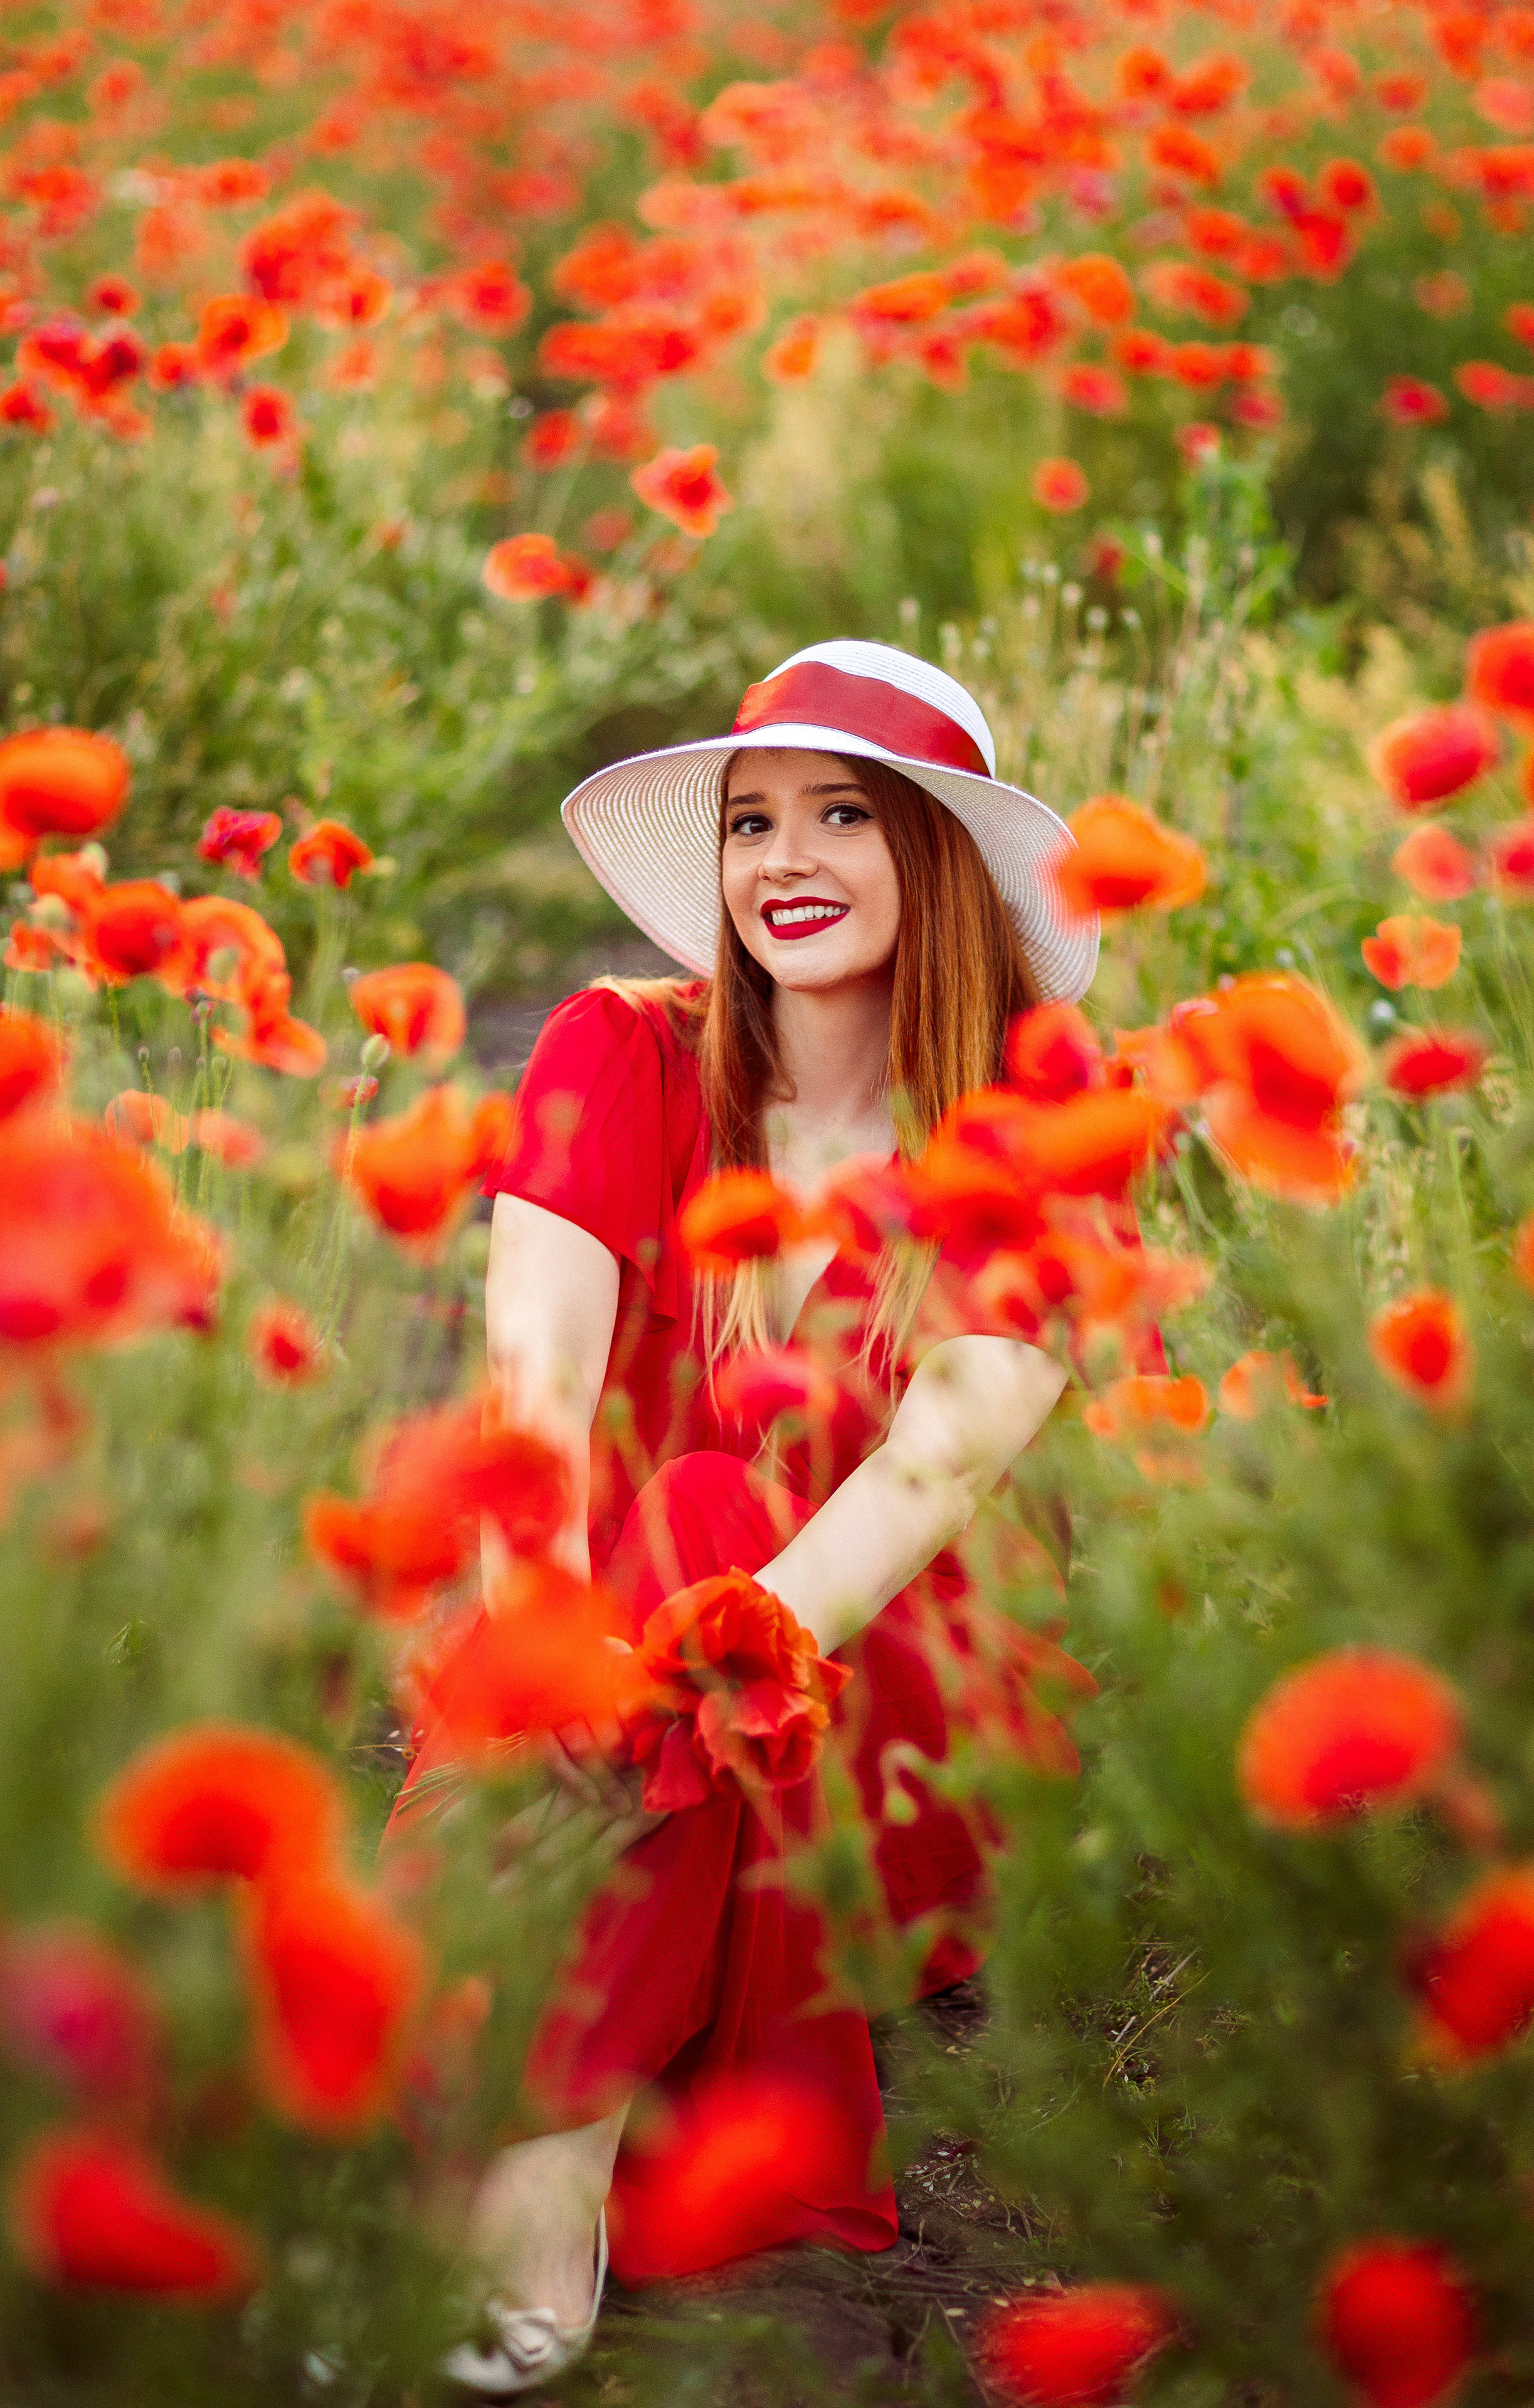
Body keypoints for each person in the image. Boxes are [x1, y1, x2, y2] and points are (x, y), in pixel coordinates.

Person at [411, 640, 1106, 2392]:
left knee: (716, 1511)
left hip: (882, 1717)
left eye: (843, 816)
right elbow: (534, 1410)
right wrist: (565, 1673)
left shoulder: (1031, 1128)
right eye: (751, 823)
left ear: (937, 858)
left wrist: (685, 1676)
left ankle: (542, 2148)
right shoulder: (622, 1054)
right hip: (593, 1665)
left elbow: (938, 1465)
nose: (784, 861)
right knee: (677, 1517)